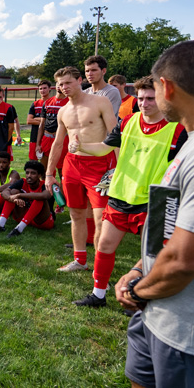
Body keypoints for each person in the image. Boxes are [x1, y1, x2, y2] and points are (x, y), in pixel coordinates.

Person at [112, 40, 194, 387]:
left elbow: (182, 262)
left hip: (182, 328)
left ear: (166, 88)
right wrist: (137, 270)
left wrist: (137, 292)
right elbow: (170, 224)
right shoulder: (189, 142)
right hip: (154, 309)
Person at [70, 76, 187, 307]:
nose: (145, 103)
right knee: (104, 246)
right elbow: (105, 147)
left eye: (151, 98)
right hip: (121, 196)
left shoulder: (178, 130)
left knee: (151, 256)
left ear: (163, 98)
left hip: (154, 202)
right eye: (141, 98)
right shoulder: (128, 122)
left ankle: (139, 298)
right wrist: (81, 146)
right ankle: (98, 295)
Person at [45, 66, 117, 272]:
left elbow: (115, 136)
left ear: (79, 80)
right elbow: (58, 144)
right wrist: (49, 174)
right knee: (76, 214)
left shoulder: (100, 102)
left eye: (68, 82)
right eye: (60, 84)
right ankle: (80, 260)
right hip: (72, 166)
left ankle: (99, 266)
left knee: (101, 218)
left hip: (99, 165)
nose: (63, 87)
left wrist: (118, 169)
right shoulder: (63, 111)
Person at [0, 160, 55, 237]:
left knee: (39, 199)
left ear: (39, 175)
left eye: (33, 173)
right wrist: (13, 199)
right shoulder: (23, 181)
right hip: (23, 216)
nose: (29, 175)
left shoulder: (45, 184)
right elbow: (4, 192)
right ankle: (0, 225)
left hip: (41, 221)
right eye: (27, 173)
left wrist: (20, 195)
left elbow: (45, 196)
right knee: (13, 192)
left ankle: (18, 229)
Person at [27, 80, 52, 161]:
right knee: (32, 161)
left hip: (47, 136)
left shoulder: (53, 103)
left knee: (46, 163)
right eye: (40, 89)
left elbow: (54, 121)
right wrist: (45, 121)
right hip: (34, 136)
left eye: (45, 88)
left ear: (49, 89)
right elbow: (29, 120)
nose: (42, 90)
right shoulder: (35, 104)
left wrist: (37, 119)